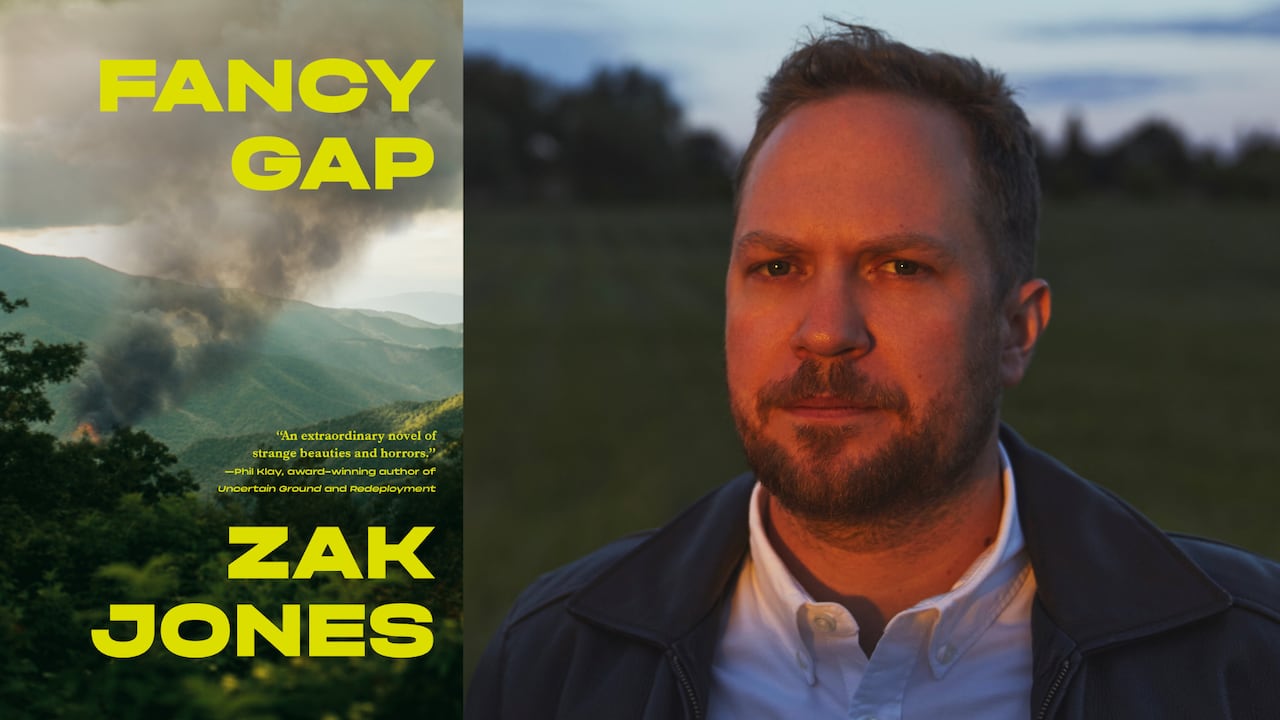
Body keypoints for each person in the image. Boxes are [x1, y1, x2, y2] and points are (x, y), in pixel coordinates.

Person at [466, 23, 1280, 720]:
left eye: (899, 268)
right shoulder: (557, 662)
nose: (825, 333)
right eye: (778, 268)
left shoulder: (1240, 663)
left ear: (1015, 330)